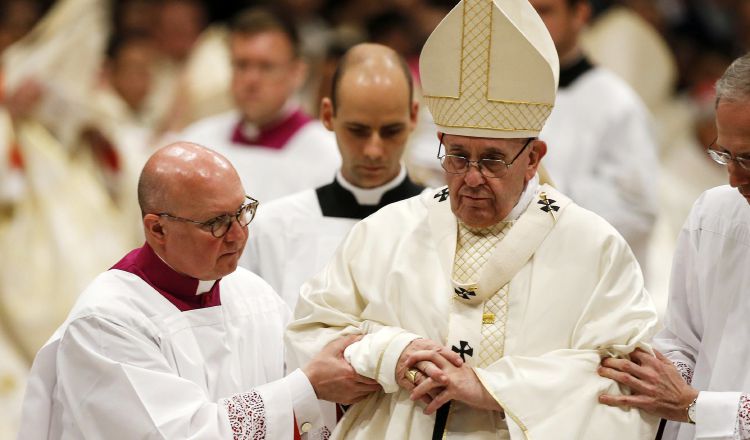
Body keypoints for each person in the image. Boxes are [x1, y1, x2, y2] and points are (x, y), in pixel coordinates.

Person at [285, 0, 660, 438]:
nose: (472, 179)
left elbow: (628, 381)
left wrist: (492, 388)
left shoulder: (593, 247)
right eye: (458, 156)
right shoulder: (389, 231)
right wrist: (391, 352)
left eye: (493, 160)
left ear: (533, 158)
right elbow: (313, 330)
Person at [16, 142, 380, 439]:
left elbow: (319, 390)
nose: (239, 234)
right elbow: (180, 434)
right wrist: (305, 387)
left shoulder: (253, 294)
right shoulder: (107, 323)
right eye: (217, 223)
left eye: (242, 212)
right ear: (157, 229)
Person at [598, 53, 750, 440]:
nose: (733, 178)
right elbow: (682, 339)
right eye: (724, 155)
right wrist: (659, 378)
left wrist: (694, 405)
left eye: (748, 159)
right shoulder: (715, 214)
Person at [241, 42, 425, 310]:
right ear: (328, 116)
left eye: (391, 131)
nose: (374, 150)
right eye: (357, 131)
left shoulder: (441, 221)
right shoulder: (273, 228)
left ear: (413, 117)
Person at [528, 0, 659, 271]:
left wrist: (539, 198)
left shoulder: (617, 104)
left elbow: (638, 210)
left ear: (580, 14)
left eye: (544, 11)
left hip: (581, 271)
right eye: (525, 11)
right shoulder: (494, 91)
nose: (531, 23)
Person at [181, 7, 339, 203]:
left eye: (266, 66)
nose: (251, 79)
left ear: (297, 72)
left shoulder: (329, 155)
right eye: (242, 65)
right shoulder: (198, 143)